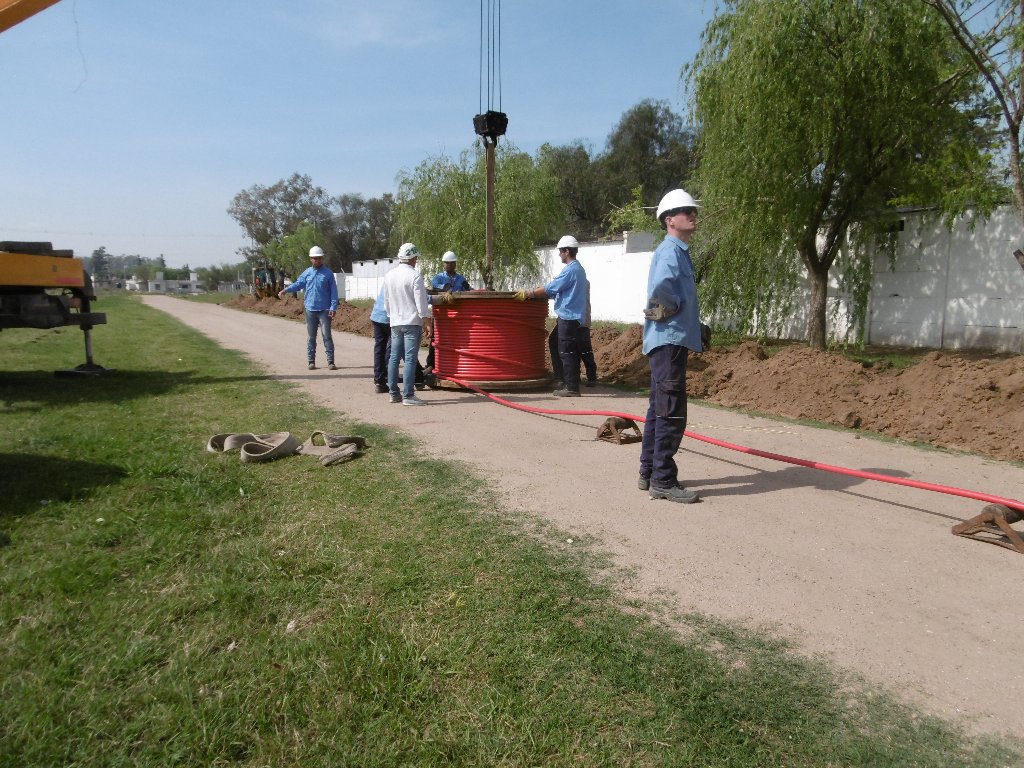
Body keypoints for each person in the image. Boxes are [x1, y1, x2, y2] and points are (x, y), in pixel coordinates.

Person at [638, 189, 704, 504]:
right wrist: (676, 313)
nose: (692, 214)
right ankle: (663, 479)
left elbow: (663, 301)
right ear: (669, 220)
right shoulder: (670, 252)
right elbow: (662, 296)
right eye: (684, 211)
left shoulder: (677, 251)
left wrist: (692, 323)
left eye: (693, 210)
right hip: (669, 342)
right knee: (670, 412)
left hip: (668, 340)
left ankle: (649, 472)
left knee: (658, 408)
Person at [516, 235, 587, 396]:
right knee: (555, 342)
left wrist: (529, 293)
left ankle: (571, 387)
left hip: (569, 317)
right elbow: (557, 290)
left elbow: (552, 287)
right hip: (572, 317)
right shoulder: (578, 269)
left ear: (567, 251)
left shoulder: (571, 270)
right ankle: (562, 379)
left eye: (561, 251)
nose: (559, 254)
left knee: (567, 350)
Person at [383, 243, 432, 406]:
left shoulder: (389, 275)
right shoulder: (415, 276)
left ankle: (393, 393)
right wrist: (426, 321)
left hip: (395, 322)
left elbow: (386, 302)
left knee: (394, 358)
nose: (416, 260)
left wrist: (392, 317)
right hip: (412, 323)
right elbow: (421, 303)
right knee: (410, 359)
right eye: (416, 258)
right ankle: (409, 395)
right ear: (412, 258)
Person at [277, 245, 338, 370]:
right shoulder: (307, 273)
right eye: (315, 258)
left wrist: (333, 307)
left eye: (319, 258)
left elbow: (334, 292)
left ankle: (330, 361)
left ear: (322, 259)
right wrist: (286, 290)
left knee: (326, 335)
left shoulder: (328, 274)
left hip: (325, 310)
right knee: (311, 337)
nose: (317, 260)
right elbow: (298, 284)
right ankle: (311, 361)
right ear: (311, 259)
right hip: (310, 309)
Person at [370, 284, 427, 394]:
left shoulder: (390, 277)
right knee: (402, 348)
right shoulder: (408, 278)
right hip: (391, 318)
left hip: (377, 315)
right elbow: (417, 298)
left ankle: (379, 382)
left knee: (380, 349)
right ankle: (418, 378)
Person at [426, 250, 472, 375]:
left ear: (455, 264)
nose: (449, 265)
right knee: (436, 338)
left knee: (454, 339)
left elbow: (468, 290)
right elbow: (437, 287)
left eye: (452, 263)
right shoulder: (438, 278)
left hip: (457, 315)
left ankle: (452, 365)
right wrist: (448, 290)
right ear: (443, 264)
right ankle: (431, 364)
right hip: (441, 315)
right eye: (447, 263)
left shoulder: (461, 279)